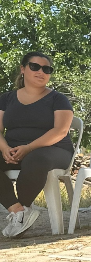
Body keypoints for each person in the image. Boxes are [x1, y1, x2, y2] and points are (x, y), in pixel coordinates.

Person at [0, 52, 74, 238]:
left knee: (35, 159)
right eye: (35, 67)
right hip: (14, 150)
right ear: (23, 69)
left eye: (46, 69)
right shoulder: (6, 99)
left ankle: (23, 209)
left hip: (54, 150)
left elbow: (60, 131)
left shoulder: (58, 99)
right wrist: (4, 148)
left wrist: (29, 148)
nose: (41, 72)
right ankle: (19, 211)